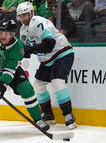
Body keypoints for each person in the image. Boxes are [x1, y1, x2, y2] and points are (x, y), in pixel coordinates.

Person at [17, 2, 77, 130]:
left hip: (62, 53)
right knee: (38, 86)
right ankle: (48, 114)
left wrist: (31, 49)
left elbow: (49, 44)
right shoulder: (23, 31)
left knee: (57, 82)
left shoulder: (38, 22)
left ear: (31, 13)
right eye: (21, 16)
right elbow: (25, 51)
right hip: (47, 59)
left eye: (25, 15)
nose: (23, 18)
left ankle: (68, 115)